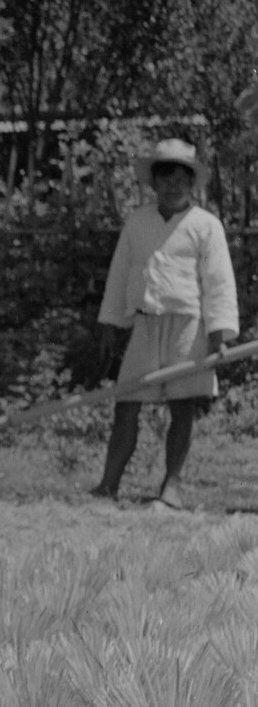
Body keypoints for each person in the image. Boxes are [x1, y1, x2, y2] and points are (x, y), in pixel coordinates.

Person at [92, 138, 239, 510]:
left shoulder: (206, 226)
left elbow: (219, 280)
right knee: (126, 403)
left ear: (193, 184)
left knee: (182, 405)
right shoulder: (138, 222)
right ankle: (108, 484)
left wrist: (219, 332)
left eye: (181, 179)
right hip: (145, 324)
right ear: (153, 183)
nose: (173, 185)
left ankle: (170, 487)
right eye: (165, 178)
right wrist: (111, 323)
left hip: (187, 325)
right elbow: (121, 273)